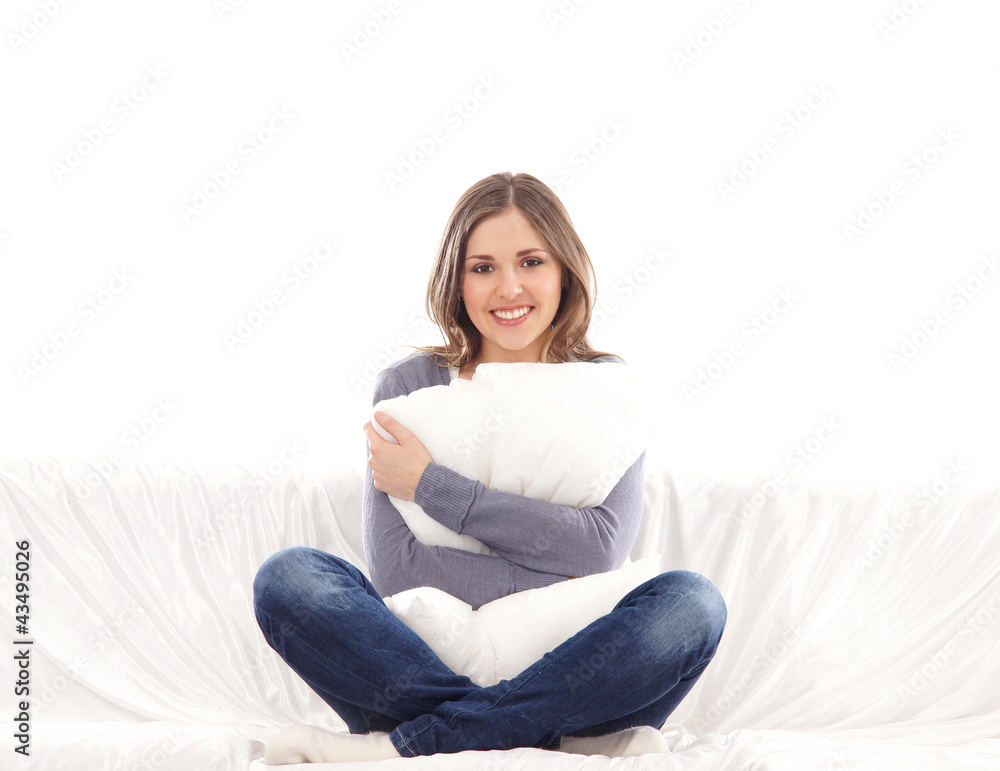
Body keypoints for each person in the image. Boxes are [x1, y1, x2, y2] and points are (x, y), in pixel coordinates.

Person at [252, 172, 727, 764]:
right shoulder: (407, 386)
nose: (509, 287)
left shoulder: (608, 388)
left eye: (531, 261)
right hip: (430, 668)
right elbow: (402, 573)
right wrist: (546, 549)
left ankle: (415, 743)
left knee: (691, 605)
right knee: (291, 579)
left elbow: (599, 552)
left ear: (564, 271)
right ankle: (558, 740)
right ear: (456, 281)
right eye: (482, 268)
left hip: (580, 669)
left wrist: (432, 487)